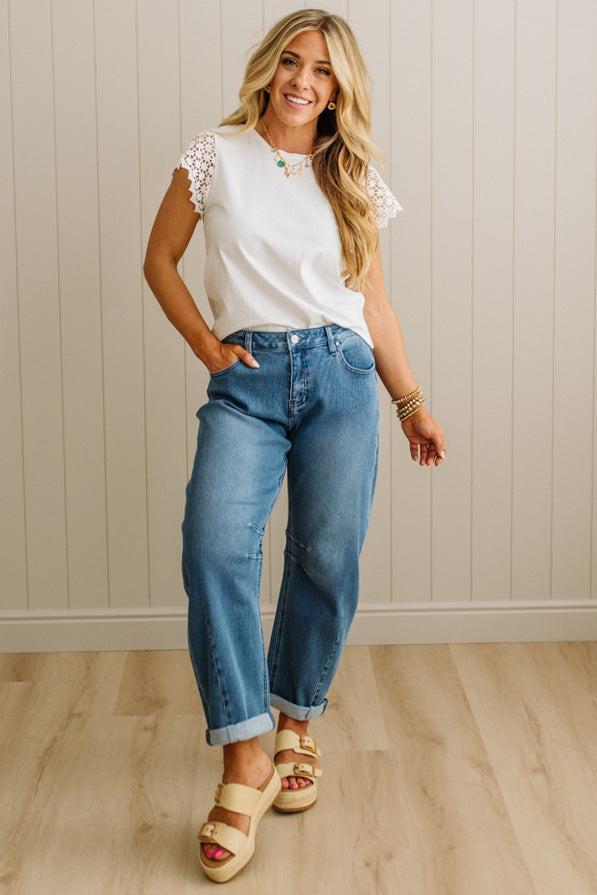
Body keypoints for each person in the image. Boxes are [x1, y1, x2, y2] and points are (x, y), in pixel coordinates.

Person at [143, 7, 446, 883]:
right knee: (213, 547)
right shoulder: (215, 155)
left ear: (339, 91)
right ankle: (243, 756)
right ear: (269, 67)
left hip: (343, 375)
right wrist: (207, 345)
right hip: (247, 377)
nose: (302, 80)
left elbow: (375, 306)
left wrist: (410, 400)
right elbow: (159, 258)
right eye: (292, 61)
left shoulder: (351, 178)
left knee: (324, 553)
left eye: (323, 72)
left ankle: (296, 719)